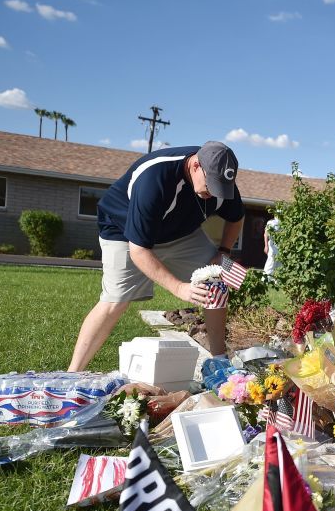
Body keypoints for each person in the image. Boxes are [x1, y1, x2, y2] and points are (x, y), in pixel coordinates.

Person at [68, 141, 245, 371]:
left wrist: (223, 252)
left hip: (180, 233)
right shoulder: (154, 179)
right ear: (195, 165)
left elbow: (237, 218)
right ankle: (72, 374)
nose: (213, 193)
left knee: (217, 280)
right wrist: (179, 288)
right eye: (210, 185)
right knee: (116, 300)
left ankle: (220, 361)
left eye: (219, 187)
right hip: (124, 232)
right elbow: (139, 250)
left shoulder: (222, 183)